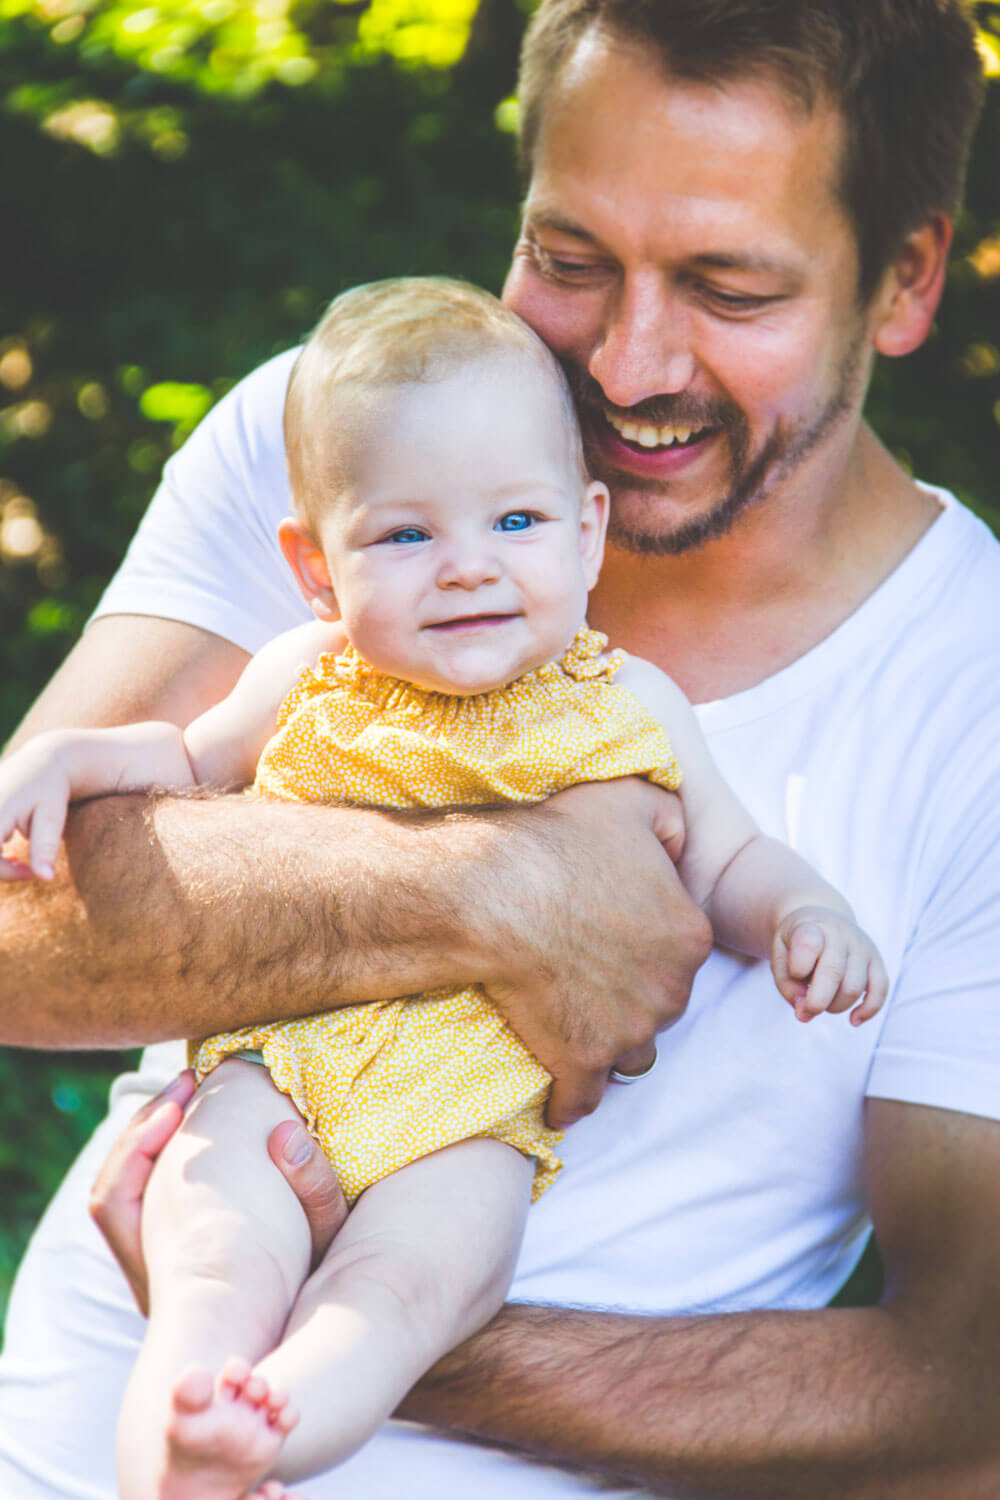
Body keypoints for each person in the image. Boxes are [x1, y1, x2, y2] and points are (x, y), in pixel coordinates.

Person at [0, 1, 997, 1496]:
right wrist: (493, 891)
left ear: (907, 278)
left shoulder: (970, 687)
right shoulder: (351, 431)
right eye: (569, 259)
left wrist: (374, 1327)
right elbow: (15, 918)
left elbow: (967, 1389)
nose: (628, 362)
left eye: (728, 287)